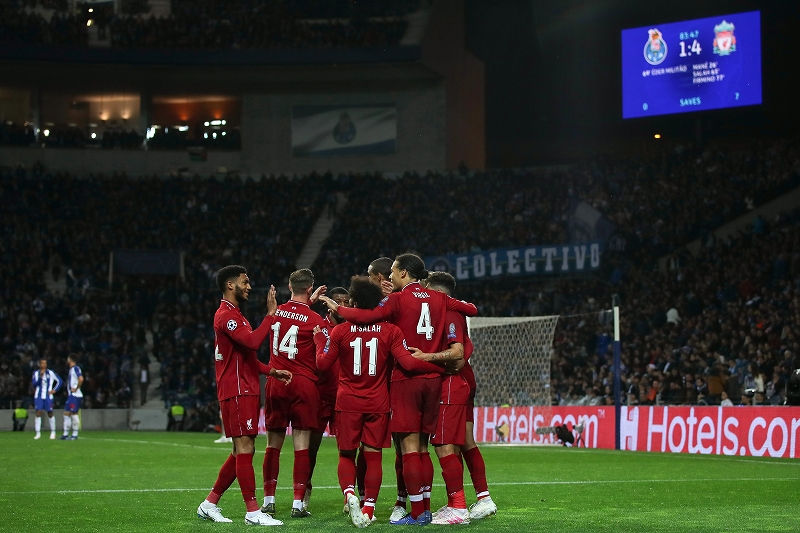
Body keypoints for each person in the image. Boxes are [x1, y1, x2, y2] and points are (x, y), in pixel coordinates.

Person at [319, 253, 478, 525]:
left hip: (405, 379)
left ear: (404, 272)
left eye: (393, 271)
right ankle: (424, 506)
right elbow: (471, 309)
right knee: (424, 447)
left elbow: (369, 316)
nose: (389, 276)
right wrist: (437, 364)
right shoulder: (439, 298)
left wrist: (339, 310)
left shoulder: (396, 301)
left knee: (409, 448)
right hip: (433, 379)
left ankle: (417, 513)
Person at [313, 276, 446, 527]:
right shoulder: (391, 331)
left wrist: (320, 340)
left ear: (353, 303)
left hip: (348, 402)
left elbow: (322, 365)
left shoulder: (340, 331)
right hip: (377, 402)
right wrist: (438, 367)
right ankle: (369, 509)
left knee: (346, 454)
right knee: (373, 456)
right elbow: (408, 363)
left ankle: (350, 494)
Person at [196, 265, 290, 526]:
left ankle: (209, 504)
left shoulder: (236, 315)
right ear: (230, 285)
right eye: (244, 282)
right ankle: (252, 511)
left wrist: (272, 371)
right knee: (245, 449)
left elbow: (246, 358)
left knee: (241, 452)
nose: (249, 286)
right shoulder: (226, 316)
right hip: (237, 390)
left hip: (243, 388)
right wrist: (270, 316)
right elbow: (252, 342)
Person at [420, 272, 496, 522]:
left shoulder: (450, 312)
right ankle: (481, 498)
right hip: (462, 379)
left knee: (444, 443)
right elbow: (466, 344)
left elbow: (459, 351)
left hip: (453, 382)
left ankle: (459, 506)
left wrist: (427, 358)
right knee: (464, 440)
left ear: (432, 290)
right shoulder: (451, 310)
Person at [261, 268, 328, 519]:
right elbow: (322, 357)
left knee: (273, 445)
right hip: (303, 383)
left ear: (289, 287)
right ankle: (298, 504)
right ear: (310, 288)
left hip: (277, 381)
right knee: (301, 446)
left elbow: (292, 317)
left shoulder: (275, 312)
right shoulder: (315, 320)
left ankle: (268, 501)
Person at [367, 257, 406, 519]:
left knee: (405, 445)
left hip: (398, 381)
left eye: (369, 277)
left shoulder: (398, 302)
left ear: (380, 279)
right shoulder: (374, 304)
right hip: (379, 384)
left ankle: (403, 501)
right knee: (370, 446)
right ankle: (363, 499)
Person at [305, 286, 350, 513]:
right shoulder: (317, 327)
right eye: (339, 301)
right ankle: (304, 491)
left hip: (345, 397)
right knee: (310, 448)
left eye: (347, 301)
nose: (343, 305)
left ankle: (349, 496)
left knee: (347, 449)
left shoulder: (354, 328)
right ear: (329, 304)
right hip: (321, 395)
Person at [32, 358, 62, 440]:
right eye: (42, 363)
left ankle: (53, 432)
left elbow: (60, 381)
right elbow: (34, 384)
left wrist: (54, 390)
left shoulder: (51, 373)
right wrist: (40, 377)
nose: (44, 365)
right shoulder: (36, 373)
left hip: (48, 396)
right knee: (38, 412)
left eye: (45, 363)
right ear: (39, 364)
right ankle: (38, 433)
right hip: (38, 396)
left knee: (50, 413)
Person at [60, 354, 84, 440]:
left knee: (74, 413)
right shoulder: (72, 369)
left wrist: (76, 388)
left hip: (75, 395)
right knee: (66, 413)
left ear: (70, 359)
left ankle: (74, 434)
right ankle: (65, 434)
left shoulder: (75, 368)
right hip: (71, 395)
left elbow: (81, 379)